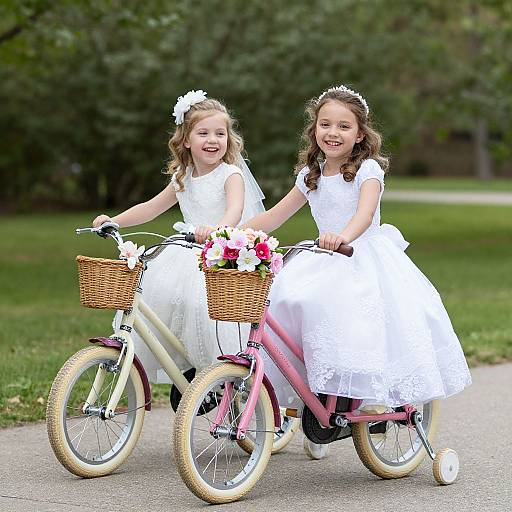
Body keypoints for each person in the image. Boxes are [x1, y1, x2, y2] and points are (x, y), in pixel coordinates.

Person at [243, 85, 471, 458]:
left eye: (344, 127)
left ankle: (364, 399)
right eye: (325, 124)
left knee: (344, 315)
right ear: (314, 129)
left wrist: (342, 236)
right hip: (323, 256)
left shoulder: (367, 170)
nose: (333, 133)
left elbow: (364, 216)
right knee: (285, 300)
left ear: (360, 134)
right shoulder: (311, 174)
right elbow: (274, 216)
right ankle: (319, 398)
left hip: (358, 255)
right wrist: (234, 235)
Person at [93, 90, 265, 382]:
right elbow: (151, 208)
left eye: (220, 133)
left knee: (205, 308)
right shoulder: (183, 177)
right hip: (186, 251)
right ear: (186, 139)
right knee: (161, 298)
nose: (213, 140)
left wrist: (217, 230)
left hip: (218, 253)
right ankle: (188, 365)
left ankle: (221, 372)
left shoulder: (230, 174)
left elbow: (235, 210)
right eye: (203, 133)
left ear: (228, 138)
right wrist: (114, 220)